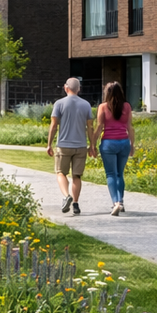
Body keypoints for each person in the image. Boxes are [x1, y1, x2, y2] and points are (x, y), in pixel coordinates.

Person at [46, 77, 95, 216]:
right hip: (80, 146)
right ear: (79, 89)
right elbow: (90, 127)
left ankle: (66, 195)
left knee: (61, 172)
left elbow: (54, 125)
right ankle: (75, 203)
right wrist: (92, 145)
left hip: (63, 145)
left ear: (65, 87)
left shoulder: (59, 103)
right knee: (77, 176)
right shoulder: (86, 105)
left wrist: (49, 144)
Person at [92, 81, 135, 216]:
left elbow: (99, 127)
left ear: (107, 93)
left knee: (111, 174)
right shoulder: (127, 106)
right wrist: (132, 144)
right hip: (123, 142)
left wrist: (92, 144)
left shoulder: (103, 107)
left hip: (108, 143)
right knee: (119, 174)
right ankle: (121, 202)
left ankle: (115, 202)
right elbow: (130, 127)